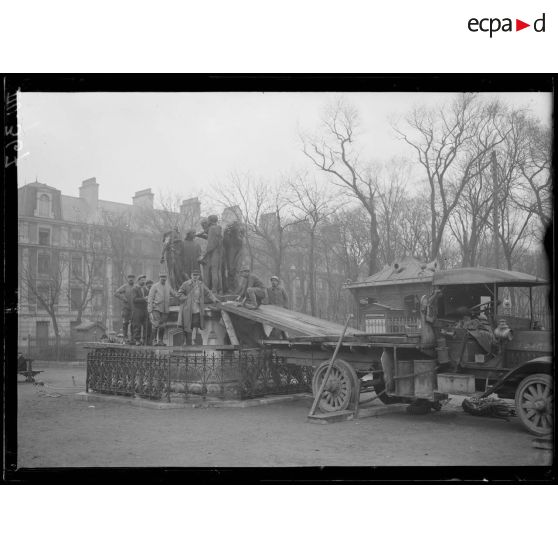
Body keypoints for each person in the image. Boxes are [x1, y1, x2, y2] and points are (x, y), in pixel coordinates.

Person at [177, 269, 219, 345]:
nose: (195, 277)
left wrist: (214, 299)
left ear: (199, 276)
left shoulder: (201, 284)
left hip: (197, 308)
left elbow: (208, 293)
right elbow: (179, 293)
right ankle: (185, 341)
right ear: (191, 276)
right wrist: (185, 298)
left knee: (195, 324)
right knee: (186, 325)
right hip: (187, 308)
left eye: (196, 275)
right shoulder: (186, 284)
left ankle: (193, 340)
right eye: (194, 275)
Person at [147, 272, 179, 346]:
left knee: (163, 325)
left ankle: (160, 341)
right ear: (159, 278)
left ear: (166, 278)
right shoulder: (155, 286)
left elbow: (174, 294)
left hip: (165, 309)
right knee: (155, 324)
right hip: (156, 308)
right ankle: (154, 341)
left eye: (164, 277)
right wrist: (150, 309)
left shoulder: (168, 286)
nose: (163, 279)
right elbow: (150, 298)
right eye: (162, 277)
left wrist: (182, 296)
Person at [200, 214, 223, 293]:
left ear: (210, 220)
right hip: (219, 252)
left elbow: (211, 244)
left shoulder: (212, 229)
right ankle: (220, 290)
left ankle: (214, 290)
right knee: (218, 271)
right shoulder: (218, 228)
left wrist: (204, 255)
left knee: (214, 272)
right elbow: (214, 239)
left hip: (214, 253)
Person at [223, 220, 246, 293]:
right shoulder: (232, 239)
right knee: (232, 271)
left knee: (234, 272)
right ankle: (232, 288)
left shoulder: (238, 240)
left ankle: (234, 288)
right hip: (231, 258)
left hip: (234, 259)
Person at [114, 273, 136, 342]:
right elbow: (116, 293)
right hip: (126, 308)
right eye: (129, 278)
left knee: (133, 323)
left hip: (134, 308)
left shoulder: (136, 287)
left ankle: (133, 338)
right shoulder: (125, 287)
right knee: (125, 323)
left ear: (134, 279)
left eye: (132, 278)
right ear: (128, 279)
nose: (131, 279)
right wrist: (123, 298)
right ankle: (125, 337)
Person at [131, 275, 150, 346]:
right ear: (138, 280)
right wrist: (144, 299)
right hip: (137, 309)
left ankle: (145, 340)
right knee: (137, 325)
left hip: (145, 310)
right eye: (142, 280)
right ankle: (137, 340)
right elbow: (134, 299)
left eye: (144, 280)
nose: (144, 281)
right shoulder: (135, 289)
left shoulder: (146, 290)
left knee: (147, 325)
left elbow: (148, 299)